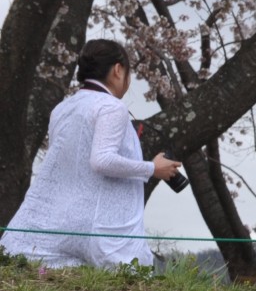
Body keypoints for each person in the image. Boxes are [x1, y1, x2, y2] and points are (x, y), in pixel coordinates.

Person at [1, 39, 181, 268]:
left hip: (60, 218)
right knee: (127, 283)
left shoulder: (62, 108)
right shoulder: (111, 106)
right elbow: (102, 160)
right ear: (118, 70)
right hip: (100, 224)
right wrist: (153, 168)